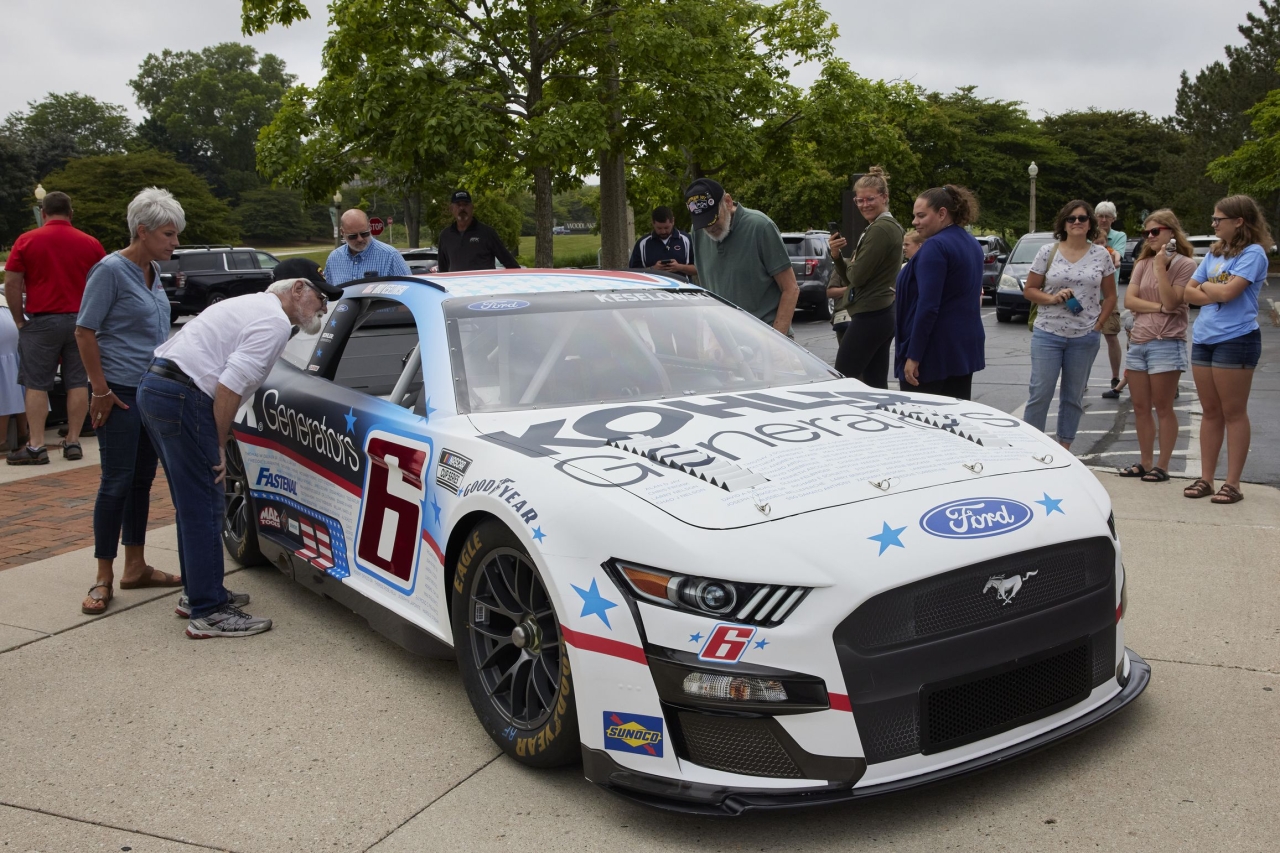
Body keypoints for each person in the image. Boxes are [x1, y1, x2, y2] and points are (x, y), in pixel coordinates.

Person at [138, 269, 343, 637]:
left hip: (160, 388)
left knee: (193, 504)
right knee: (205, 504)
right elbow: (230, 386)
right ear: (298, 289)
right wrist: (218, 445)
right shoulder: (275, 322)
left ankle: (200, 593)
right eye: (321, 298)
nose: (323, 308)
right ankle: (209, 611)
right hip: (184, 396)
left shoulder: (254, 306)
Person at [74, 188, 186, 615]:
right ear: (142, 231)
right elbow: (85, 331)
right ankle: (104, 575)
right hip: (118, 394)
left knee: (142, 481)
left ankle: (135, 565)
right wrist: (99, 389)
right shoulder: (110, 271)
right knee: (116, 481)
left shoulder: (153, 272)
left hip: (150, 392)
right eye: (168, 234)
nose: (175, 243)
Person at [1180, 195, 1273, 504]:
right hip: (1205, 337)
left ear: (1239, 221)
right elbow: (1187, 293)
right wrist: (1211, 290)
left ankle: (1232, 483)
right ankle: (1206, 479)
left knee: (1233, 412)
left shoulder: (1254, 253)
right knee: (1210, 411)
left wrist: (1207, 288)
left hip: (1237, 339)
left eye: (1218, 219)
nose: (1213, 223)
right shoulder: (1215, 253)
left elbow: (1230, 292)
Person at [3, 191, 105, 464]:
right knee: (76, 382)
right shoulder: (91, 243)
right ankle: (73, 441)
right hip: (81, 322)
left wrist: (19, 320)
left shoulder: (27, 240)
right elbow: (103, 283)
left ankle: (36, 446)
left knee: (37, 384)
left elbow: (12, 283)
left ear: (44, 214)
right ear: (71, 214)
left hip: (41, 321)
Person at [1022, 201, 1118, 450]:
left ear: (1090, 224)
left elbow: (1110, 296)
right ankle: (1032, 448)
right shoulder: (1047, 251)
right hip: (1048, 333)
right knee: (1040, 393)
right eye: (1071, 219)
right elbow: (1030, 290)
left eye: (1082, 218)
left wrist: (1097, 326)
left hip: (1085, 336)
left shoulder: (1101, 255)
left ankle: (1064, 448)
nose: (1077, 222)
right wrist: (1052, 298)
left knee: (1073, 397)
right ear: (1063, 223)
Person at [1117, 210, 1197, 483]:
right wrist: (1159, 307)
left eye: (1155, 231)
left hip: (1166, 342)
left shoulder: (1186, 264)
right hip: (1139, 342)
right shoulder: (1142, 264)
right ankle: (1145, 461)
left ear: (1171, 232)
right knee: (1140, 406)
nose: (1149, 237)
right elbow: (1129, 301)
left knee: (1163, 406)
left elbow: (1173, 301)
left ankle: (1162, 465)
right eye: (1146, 233)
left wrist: (1162, 267)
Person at [895, 185, 985, 398]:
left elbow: (928, 305)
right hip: (963, 348)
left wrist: (914, 355)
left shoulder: (935, 246)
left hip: (934, 352)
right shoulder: (971, 243)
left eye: (921, 215)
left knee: (921, 423)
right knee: (954, 423)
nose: (914, 222)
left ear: (942, 213)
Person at [685, 178, 799, 335]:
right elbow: (707, 291)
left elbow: (791, 288)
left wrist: (777, 341)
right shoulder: (697, 232)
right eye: (703, 223)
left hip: (766, 338)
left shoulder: (760, 226)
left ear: (728, 202)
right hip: (726, 344)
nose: (710, 228)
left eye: (713, 218)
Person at [825, 167, 903, 388]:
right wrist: (837, 256)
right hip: (881, 312)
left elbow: (856, 277)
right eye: (859, 200)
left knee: (842, 382)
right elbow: (853, 274)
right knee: (874, 384)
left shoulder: (881, 229)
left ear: (884, 197)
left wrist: (846, 263)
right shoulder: (880, 227)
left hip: (871, 314)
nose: (864, 205)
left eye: (870, 199)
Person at [436, 190, 520, 272]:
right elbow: (443, 271)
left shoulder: (487, 233)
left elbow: (511, 264)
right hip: (456, 286)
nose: (462, 208)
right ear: (451, 208)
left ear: (472, 207)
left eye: (465, 204)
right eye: (458, 205)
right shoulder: (445, 236)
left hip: (483, 285)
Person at [324, 209, 412, 285]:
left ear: (369, 227)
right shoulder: (334, 259)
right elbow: (329, 295)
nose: (360, 239)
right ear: (342, 232)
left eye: (364, 234)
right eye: (353, 236)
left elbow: (409, 292)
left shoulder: (390, 256)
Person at [1095, 201, 1127, 399]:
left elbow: (1116, 256)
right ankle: (1080, 378)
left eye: (1108, 216)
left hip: (1108, 295)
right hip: (1087, 295)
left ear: (1114, 218)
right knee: (1083, 338)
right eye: (1100, 216)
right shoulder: (1088, 234)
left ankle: (1115, 377)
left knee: (1111, 334)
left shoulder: (1119, 237)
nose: (1104, 220)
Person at [628, 206, 695, 279]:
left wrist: (679, 267)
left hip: (682, 288)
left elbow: (700, 269)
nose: (663, 231)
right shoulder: (642, 244)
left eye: (666, 228)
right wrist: (653, 269)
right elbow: (632, 273)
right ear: (653, 223)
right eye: (659, 228)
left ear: (673, 221)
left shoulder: (687, 240)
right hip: (653, 289)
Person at [0, 301, 27, 452]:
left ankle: (1, 439)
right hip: (10, 314)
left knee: (4, 379)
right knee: (14, 373)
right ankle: (23, 433)